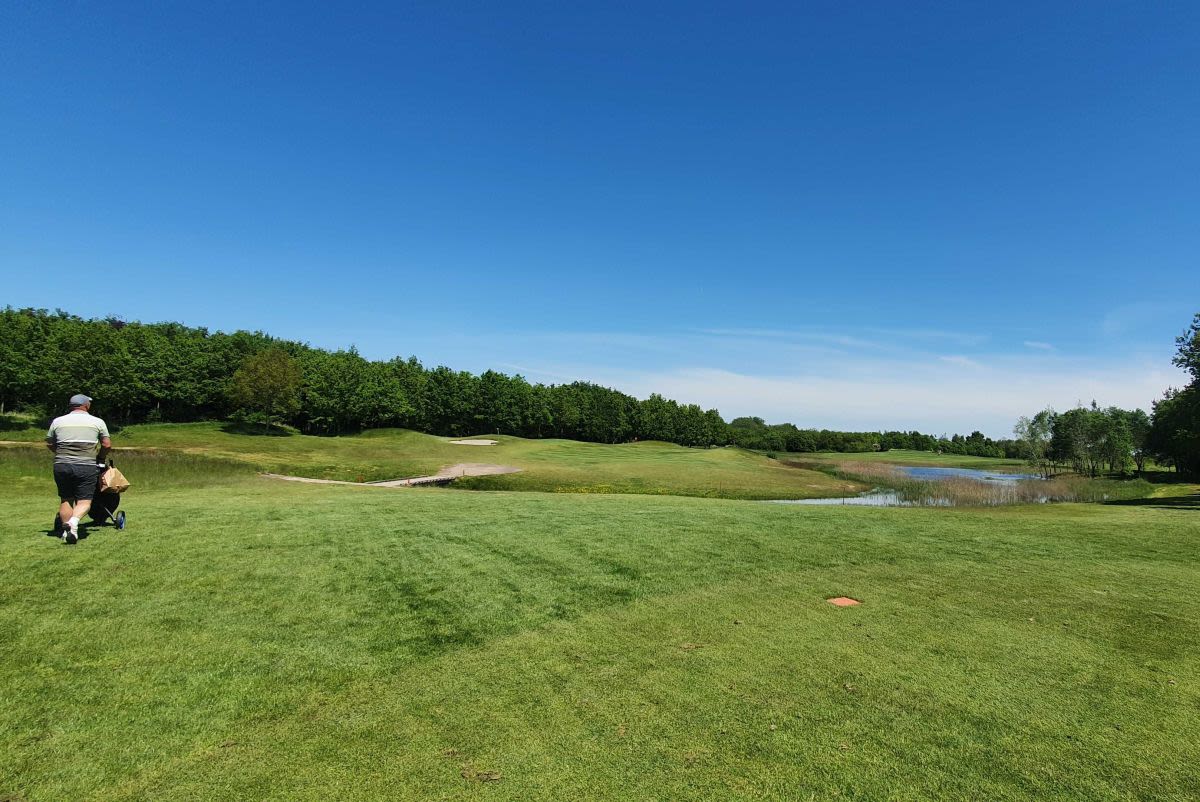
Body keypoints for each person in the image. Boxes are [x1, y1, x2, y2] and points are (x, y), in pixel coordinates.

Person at [46, 394, 111, 544]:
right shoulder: (97, 422)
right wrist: (100, 458)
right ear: (86, 405)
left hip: (61, 465)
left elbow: (49, 443)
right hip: (86, 465)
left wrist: (61, 453)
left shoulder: (58, 421)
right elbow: (107, 445)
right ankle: (73, 523)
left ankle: (66, 533)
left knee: (66, 499)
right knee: (84, 501)